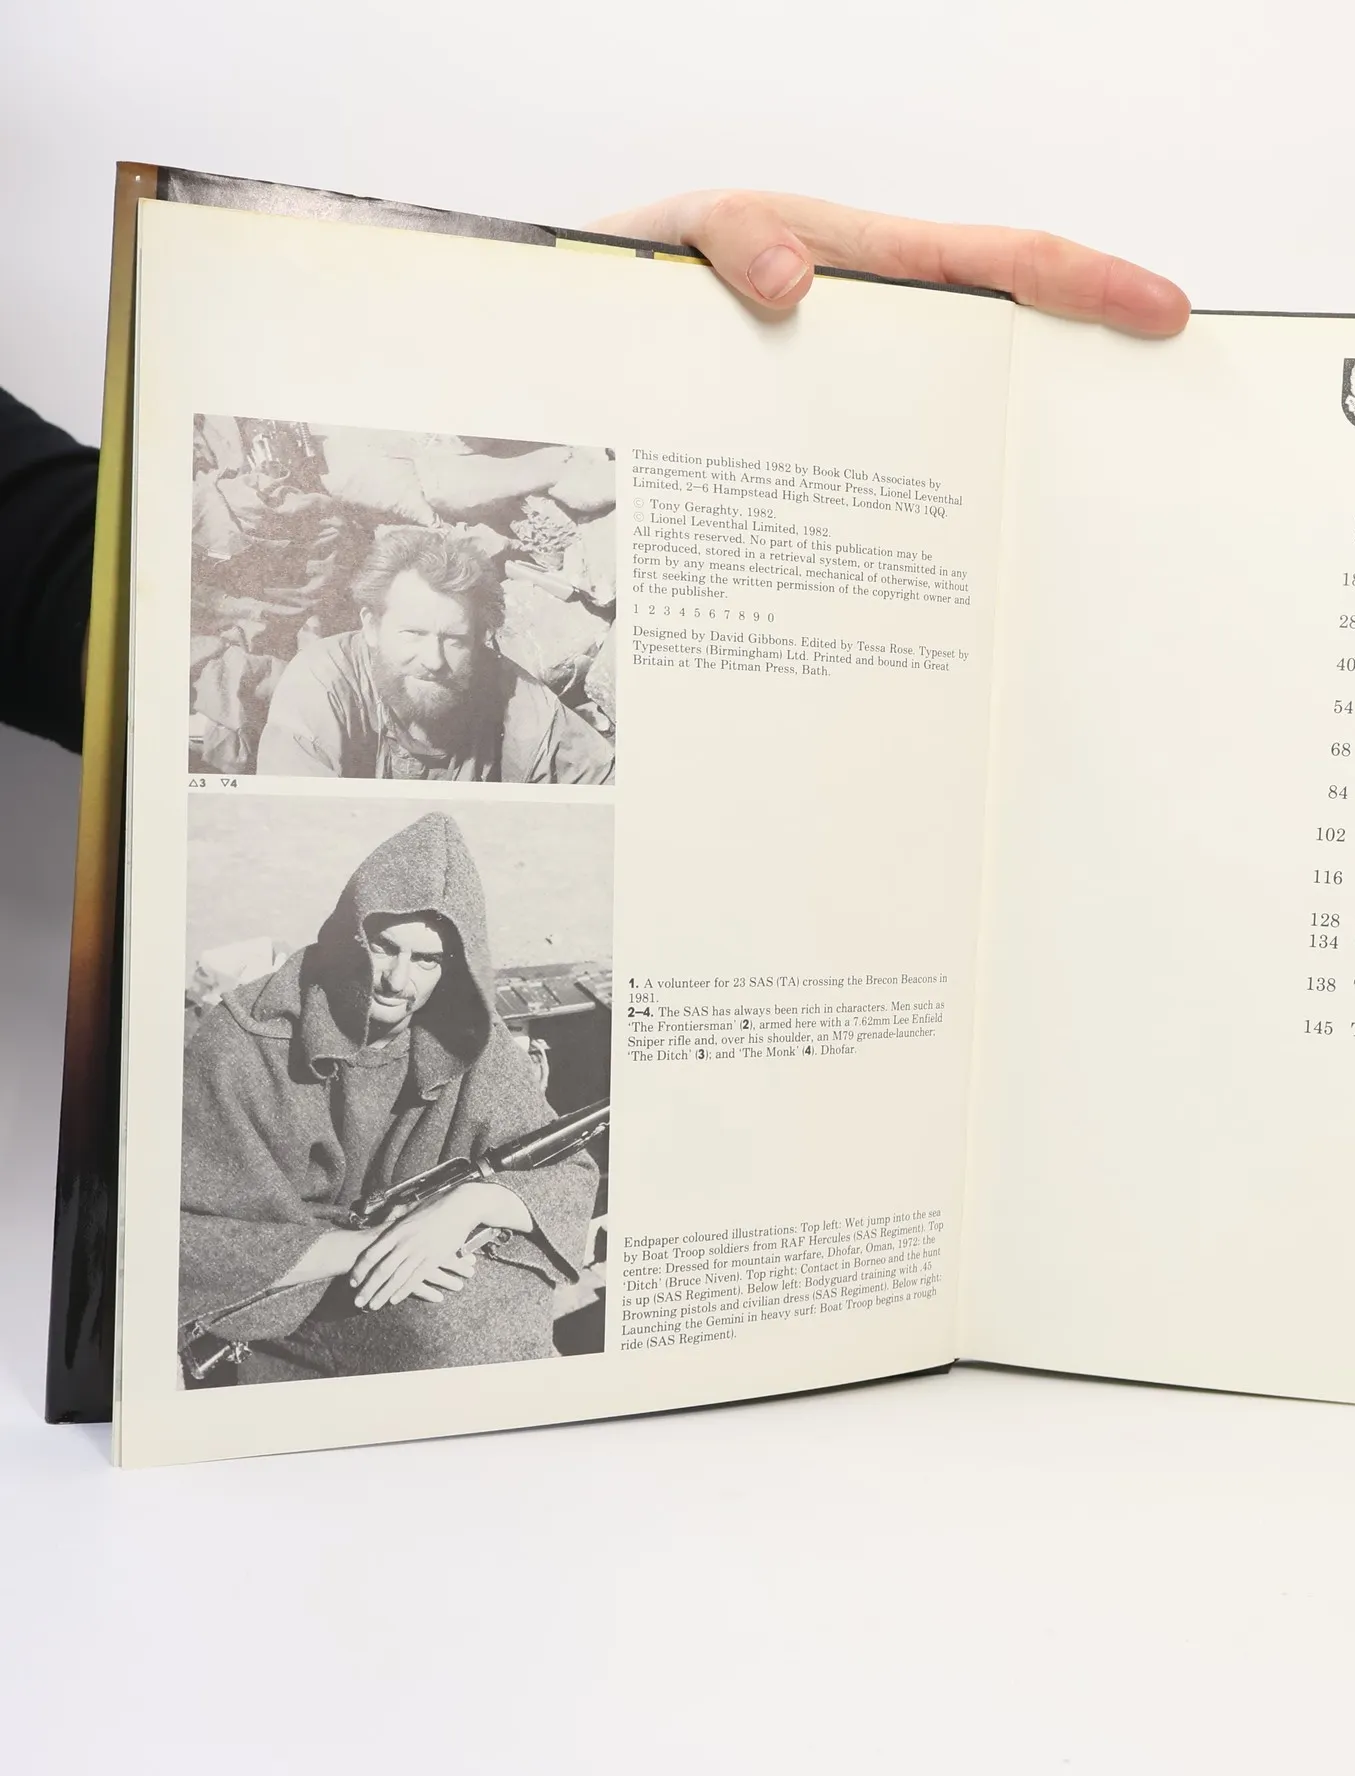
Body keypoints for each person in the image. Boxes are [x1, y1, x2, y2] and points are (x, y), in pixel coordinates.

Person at [0, 191, 1188, 752]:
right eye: (422, 638)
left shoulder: (504, 658)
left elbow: (52, 580)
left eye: (453, 638)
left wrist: (585, 328)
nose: (439, 657)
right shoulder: (341, 663)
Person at [177, 810, 598, 1381]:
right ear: (348, 938)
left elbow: (568, 1173)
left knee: (503, 1308)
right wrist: (369, 1246)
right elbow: (182, 1236)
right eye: (384, 948)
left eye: (427, 960)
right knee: (447, 1341)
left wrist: (466, 1206)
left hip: (424, 1250)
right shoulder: (241, 1040)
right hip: (291, 1281)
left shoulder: (470, 1033)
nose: (399, 982)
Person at [256, 525, 616, 783]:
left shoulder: (514, 696)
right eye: (413, 633)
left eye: (454, 639)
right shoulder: (322, 683)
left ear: (480, 640)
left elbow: (604, 783)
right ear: (372, 627)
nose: (433, 660)